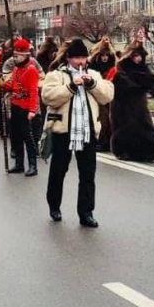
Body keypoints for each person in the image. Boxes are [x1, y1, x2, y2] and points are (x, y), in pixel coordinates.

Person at [41, 38, 114, 227]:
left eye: (83, 57)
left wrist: (92, 85)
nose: (81, 62)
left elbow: (107, 96)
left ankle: (86, 212)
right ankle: (54, 206)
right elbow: (48, 97)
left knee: (88, 174)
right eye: (77, 58)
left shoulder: (94, 74)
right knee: (58, 171)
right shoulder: (57, 75)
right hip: (63, 131)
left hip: (87, 130)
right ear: (69, 58)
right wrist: (71, 86)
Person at [109, 41, 154, 162]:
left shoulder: (143, 68)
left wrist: (138, 81)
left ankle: (149, 151)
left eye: (140, 55)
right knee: (126, 128)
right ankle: (123, 151)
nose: (138, 58)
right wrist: (138, 83)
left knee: (144, 127)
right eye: (135, 56)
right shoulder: (121, 68)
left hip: (139, 104)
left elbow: (151, 81)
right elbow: (122, 84)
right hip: (123, 105)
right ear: (130, 56)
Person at [1, 38, 40, 176]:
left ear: (25, 55)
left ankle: (33, 165)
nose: (15, 58)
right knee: (15, 136)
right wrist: (3, 84)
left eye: (17, 55)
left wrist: (32, 110)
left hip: (25, 107)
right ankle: (19, 164)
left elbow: (34, 91)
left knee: (27, 137)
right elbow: (12, 85)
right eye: (14, 55)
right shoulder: (17, 69)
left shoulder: (31, 70)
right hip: (15, 105)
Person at [88, 37, 117, 151]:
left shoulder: (113, 66)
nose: (105, 57)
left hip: (109, 94)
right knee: (101, 118)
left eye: (107, 55)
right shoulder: (93, 67)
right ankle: (101, 141)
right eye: (103, 55)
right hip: (97, 94)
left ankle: (108, 141)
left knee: (110, 119)